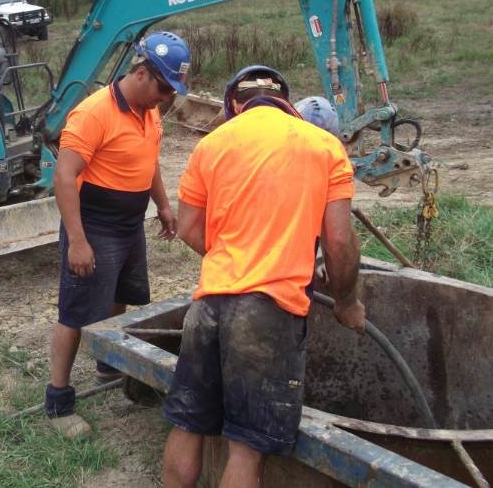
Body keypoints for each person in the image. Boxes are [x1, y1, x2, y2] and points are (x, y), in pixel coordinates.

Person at [162, 65, 364, 487]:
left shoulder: (211, 145)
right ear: (287, 103)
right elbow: (340, 242)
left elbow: (188, 229)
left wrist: (232, 254)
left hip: (207, 306)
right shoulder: (324, 146)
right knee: (246, 446)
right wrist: (347, 302)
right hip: (269, 314)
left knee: (188, 425)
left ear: (235, 104)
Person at [45, 31, 191, 437]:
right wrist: (77, 240)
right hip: (94, 225)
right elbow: (64, 176)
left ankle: (109, 364)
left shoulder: (149, 111)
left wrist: (162, 203)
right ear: (142, 73)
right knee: (75, 312)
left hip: (129, 224)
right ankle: (58, 401)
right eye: (164, 87)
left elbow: (149, 160)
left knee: (120, 298)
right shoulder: (94, 113)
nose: (166, 96)